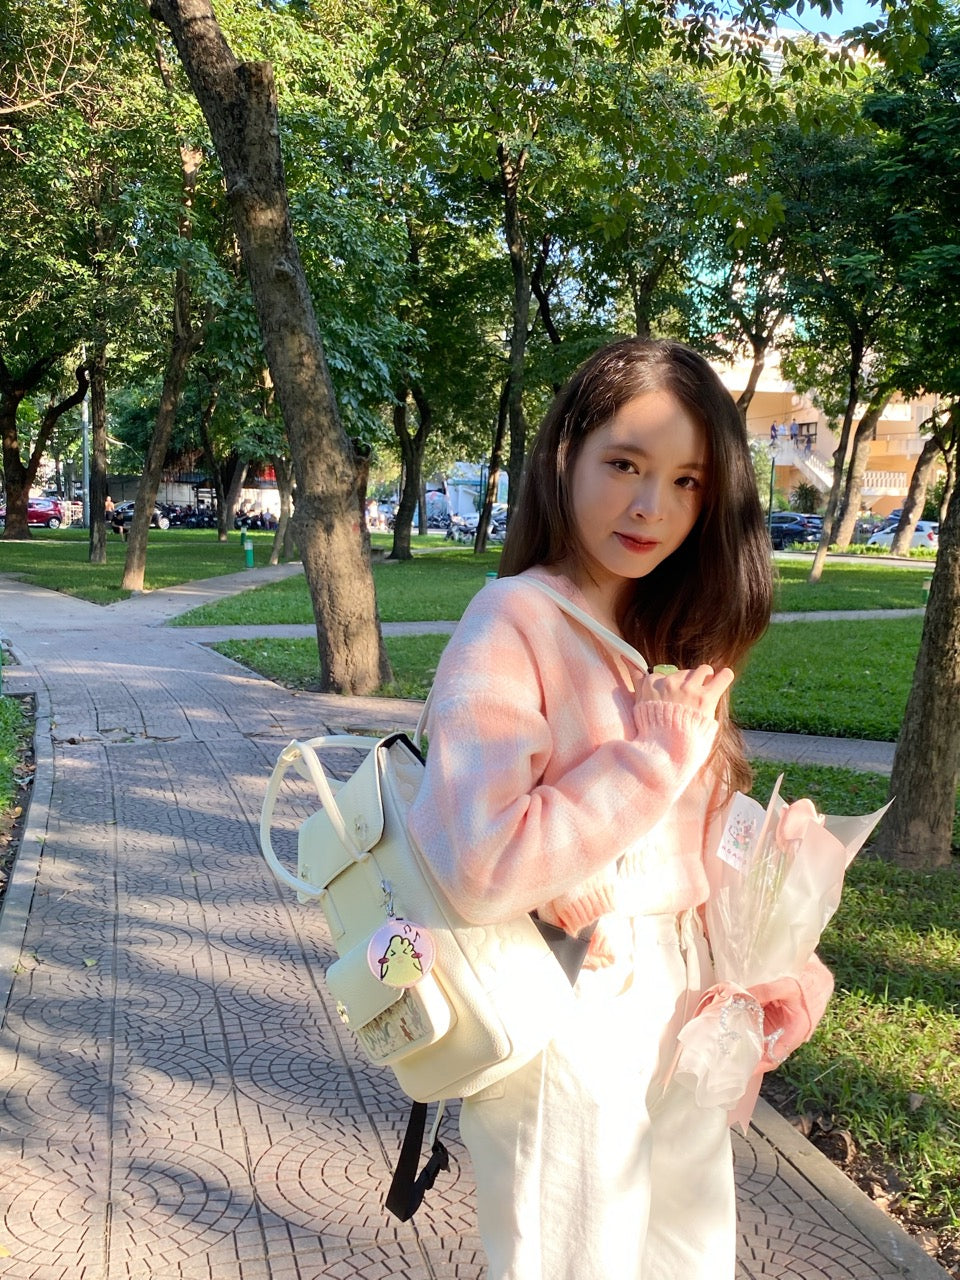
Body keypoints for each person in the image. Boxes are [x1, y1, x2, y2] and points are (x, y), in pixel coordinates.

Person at [408, 338, 830, 1280]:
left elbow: (682, 839)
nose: (651, 507)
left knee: (688, 1257)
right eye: (626, 465)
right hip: (574, 1003)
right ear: (566, 457)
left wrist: (773, 923)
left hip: (685, 1005)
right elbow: (481, 862)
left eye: (685, 482)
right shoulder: (510, 621)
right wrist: (649, 757)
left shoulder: (668, 631)